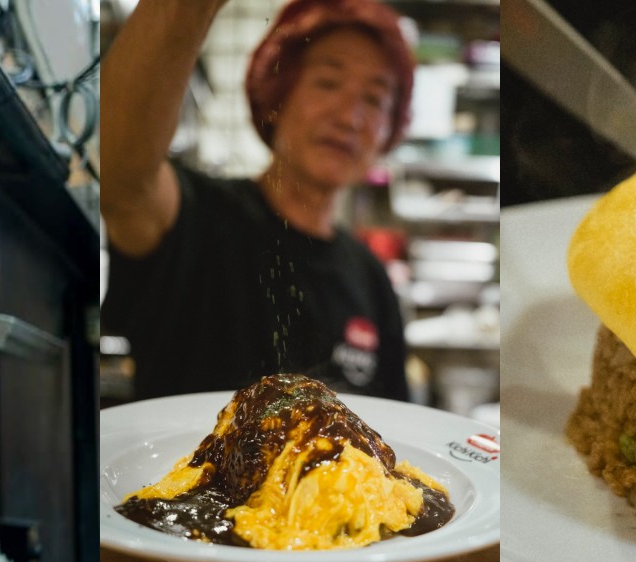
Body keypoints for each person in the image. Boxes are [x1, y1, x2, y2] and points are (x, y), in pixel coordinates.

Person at [98, 0, 415, 401]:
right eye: (328, 82)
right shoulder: (199, 215)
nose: (350, 116)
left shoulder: (372, 281)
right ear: (277, 97)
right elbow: (122, 178)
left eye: (374, 99)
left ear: (389, 131)